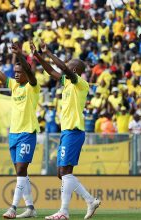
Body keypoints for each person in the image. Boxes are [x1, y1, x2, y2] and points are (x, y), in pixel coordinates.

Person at [30, 41, 100, 220]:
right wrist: (39, 56)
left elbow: (61, 68)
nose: (64, 68)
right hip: (67, 130)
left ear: (74, 70)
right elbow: (52, 72)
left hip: (74, 130)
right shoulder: (67, 82)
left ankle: (65, 211)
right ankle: (88, 201)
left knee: (64, 172)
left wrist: (50, 53)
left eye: (68, 67)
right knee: (61, 173)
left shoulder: (80, 82)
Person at [0, 42, 39, 218]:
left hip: (27, 133)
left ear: (26, 72)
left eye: (20, 72)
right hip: (14, 134)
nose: (16, 75)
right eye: (15, 72)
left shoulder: (32, 86)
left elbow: (31, 73)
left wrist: (19, 56)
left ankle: (13, 208)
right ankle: (31, 208)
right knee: (21, 172)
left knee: (20, 171)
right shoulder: (14, 85)